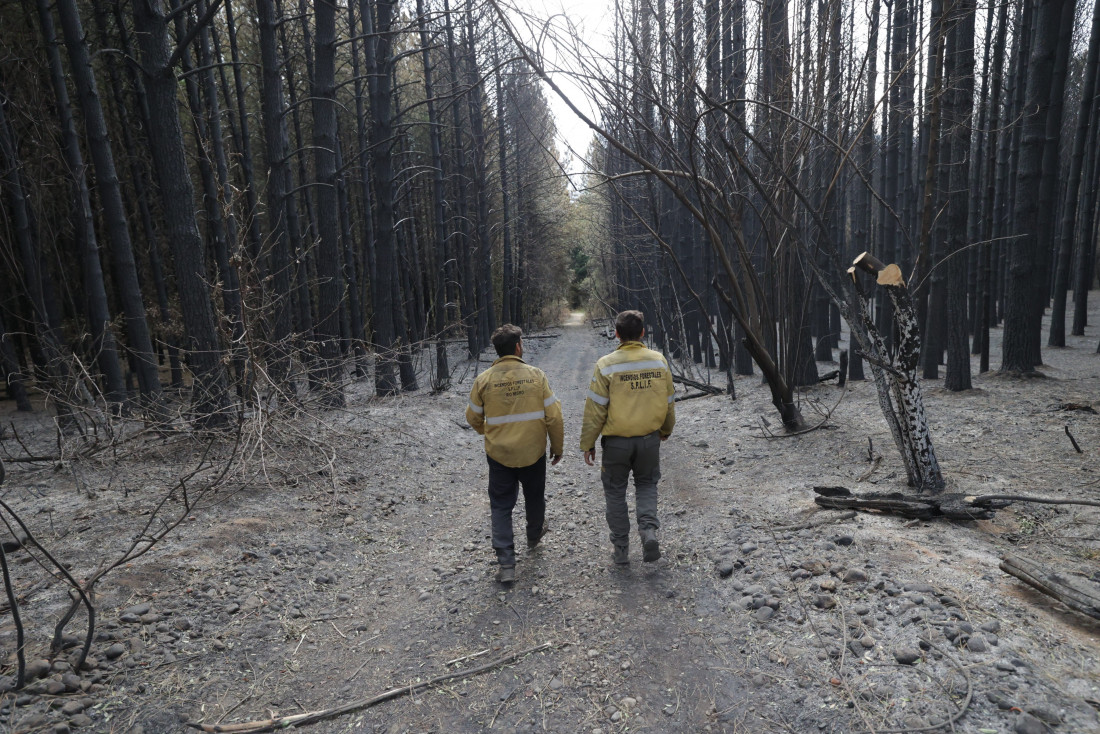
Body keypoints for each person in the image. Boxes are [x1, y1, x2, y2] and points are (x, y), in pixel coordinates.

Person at [467, 324, 564, 583]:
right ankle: (534, 536)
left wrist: (488, 432)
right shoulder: (536, 376)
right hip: (533, 452)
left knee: (501, 505)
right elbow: (554, 417)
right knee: (534, 497)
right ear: (518, 347)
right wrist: (557, 446)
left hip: (500, 455)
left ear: (498, 350)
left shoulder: (484, 380)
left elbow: (473, 417)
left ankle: (507, 563)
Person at [580, 310, 675, 565]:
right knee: (646, 485)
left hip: (616, 444)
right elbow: (668, 401)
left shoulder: (606, 365)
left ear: (617, 334)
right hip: (649, 440)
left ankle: (621, 549)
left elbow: (595, 409)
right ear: (643, 333)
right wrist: (666, 429)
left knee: (615, 493)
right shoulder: (658, 361)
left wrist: (587, 443)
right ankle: (648, 532)